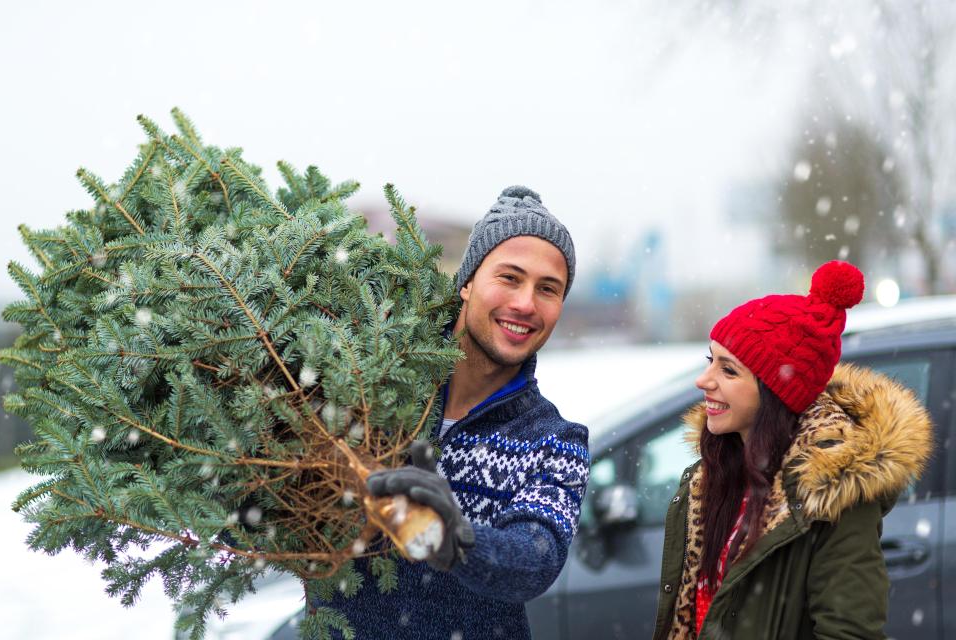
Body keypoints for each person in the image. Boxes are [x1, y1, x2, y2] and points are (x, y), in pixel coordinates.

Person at [322, 185, 589, 639]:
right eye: (509, 277)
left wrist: (457, 539)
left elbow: (535, 559)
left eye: (548, 289)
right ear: (467, 283)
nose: (526, 303)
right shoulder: (373, 389)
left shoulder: (556, 441)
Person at [652, 261, 933, 640]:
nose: (705, 380)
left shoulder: (831, 496)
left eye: (729, 370)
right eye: (710, 360)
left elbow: (850, 633)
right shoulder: (712, 478)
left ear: (775, 393)